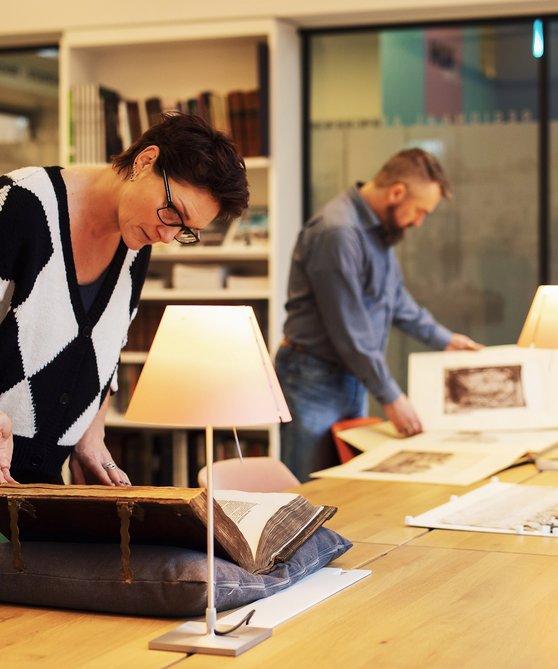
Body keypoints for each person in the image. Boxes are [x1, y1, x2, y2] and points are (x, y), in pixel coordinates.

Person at [0, 112, 248, 486]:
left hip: (42, 482)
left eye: (185, 230)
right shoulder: (22, 204)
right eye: (173, 212)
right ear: (145, 161)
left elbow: (106, 350)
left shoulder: (137, 240)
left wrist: (92, 435)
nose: (168, 236)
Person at [275, 148, 481, 482]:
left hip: (351, 375)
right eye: (420, 211)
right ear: (397, 192)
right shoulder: (338, 232)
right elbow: (349, 329)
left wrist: (446, 340)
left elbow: (397, 301)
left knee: (346, 488)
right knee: (308, 492)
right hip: (312, 379)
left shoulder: (377, 232)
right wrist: (391, 396)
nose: (418, 222)